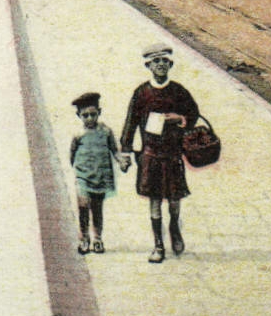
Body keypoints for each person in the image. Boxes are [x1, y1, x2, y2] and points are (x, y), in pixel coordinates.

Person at [120, 42, 200, 263]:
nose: (161, 65)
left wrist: (180, 119)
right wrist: (125, 152)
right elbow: (130, 123)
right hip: (151, 154)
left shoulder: (178, 91)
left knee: (174, 200)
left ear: (170, 65)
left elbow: (194, 114)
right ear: (148, 66)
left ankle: (174, 228)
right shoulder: (141, 93)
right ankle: (158, 245)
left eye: (165, 61)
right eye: (156, 61)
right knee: (154, 199)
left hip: (172, 154)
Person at [69, 92, 130, 254]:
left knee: (97, 209)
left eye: (93, 114)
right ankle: (84, 238)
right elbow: (72, 155)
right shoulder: (78, 134)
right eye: (85, 115)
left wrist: (121, 161)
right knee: (83, 207)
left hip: (100, 177)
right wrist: (78, 171)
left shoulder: (106, 131)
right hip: (83, 177)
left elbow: (114, 150)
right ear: (79, 115)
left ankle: (97, 238)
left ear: (99, 112)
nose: (89, 118)